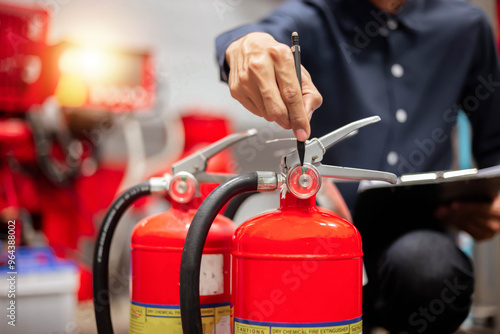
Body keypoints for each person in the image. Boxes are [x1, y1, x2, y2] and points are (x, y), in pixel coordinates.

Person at [215, 0, 500, 332]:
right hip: (319, 245)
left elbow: (494, 145)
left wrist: (492, 202)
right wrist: (247, 45)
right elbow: (253, 36)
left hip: (422, 247)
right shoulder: (313, 16)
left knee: (432, 273)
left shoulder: (465, 26)